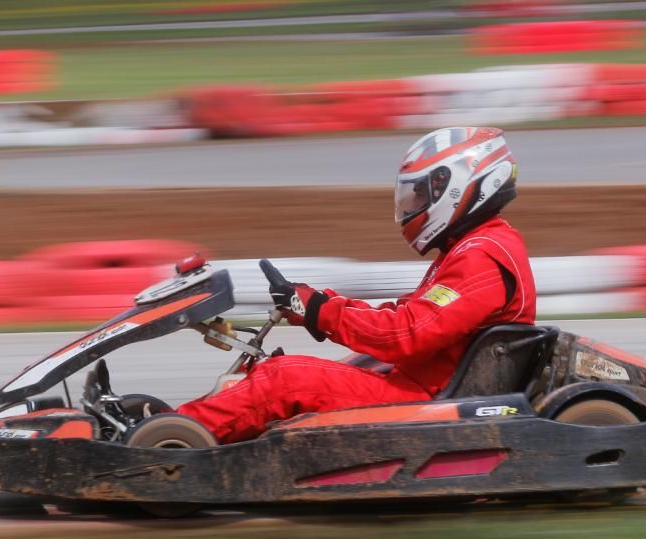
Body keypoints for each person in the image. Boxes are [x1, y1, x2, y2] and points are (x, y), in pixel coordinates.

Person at [176, 127, 537, 444]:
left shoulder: (482, 257)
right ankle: (172, 427)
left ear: (463, 186)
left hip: (432, 399)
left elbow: (407, 335)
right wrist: (318, 305)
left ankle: (168, 441)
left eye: (423, 196)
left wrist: (319, 312)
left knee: (286, 379)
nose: (415, 206)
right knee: (277, 369)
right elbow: (405, 317)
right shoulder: (476, 247)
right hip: (423, 382)